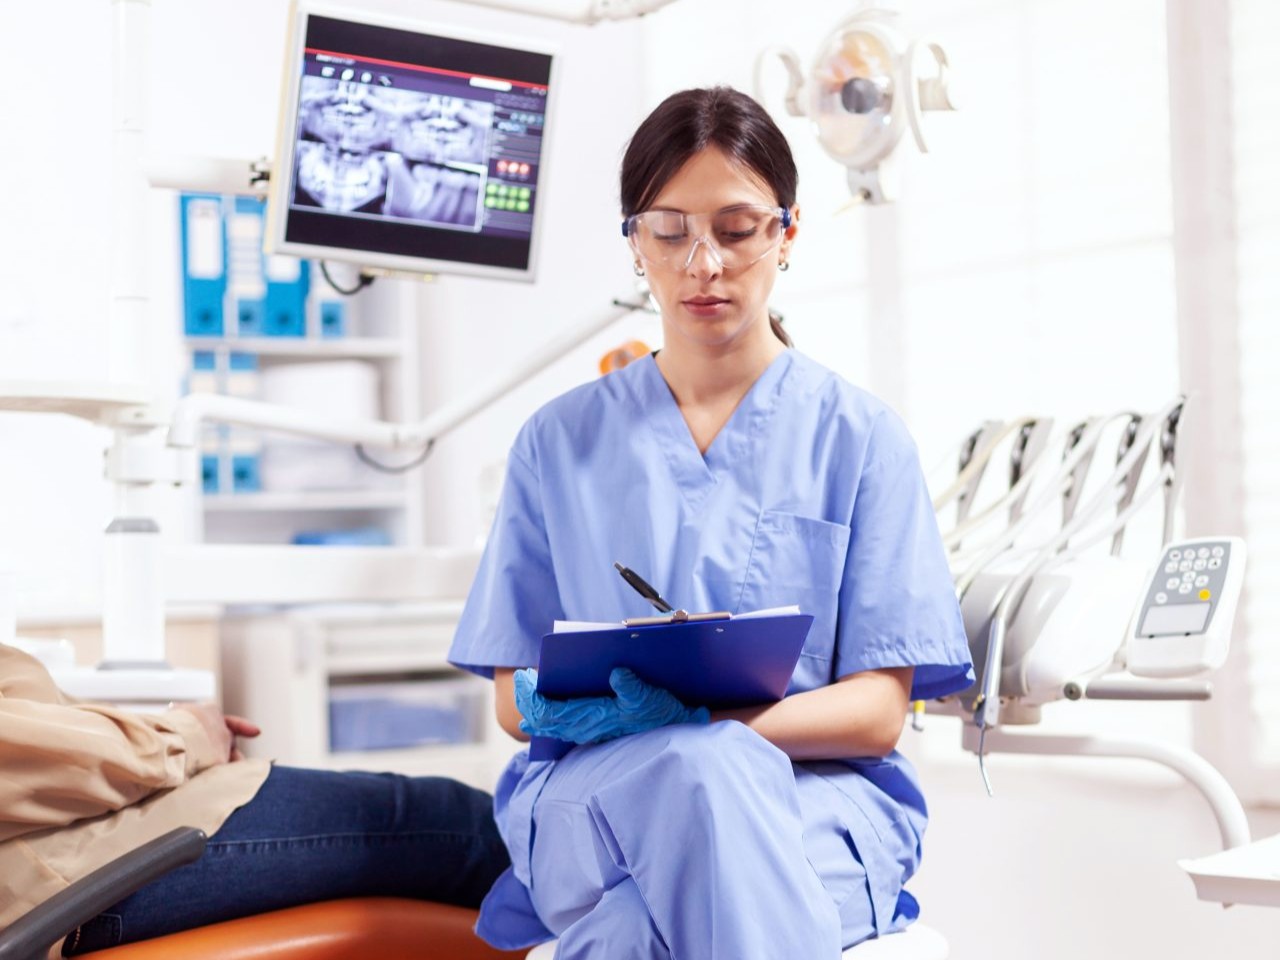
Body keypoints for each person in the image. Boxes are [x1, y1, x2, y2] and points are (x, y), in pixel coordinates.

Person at [447, 85, 975, 959]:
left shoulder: (861, 438)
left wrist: (704, 732)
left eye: (734, 229)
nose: (703, 264)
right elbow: (513, 695)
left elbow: (880, 712)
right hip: (602, 795)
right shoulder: (559, 442)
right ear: (634, 243)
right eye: (669, 230)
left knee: (643, 908)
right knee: (696, 786)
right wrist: (618, 723)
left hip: (816, 802)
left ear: (786, 234)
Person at [0, 642, 510, 957]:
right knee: (449, 824)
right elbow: (36, 755)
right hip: (78, 874)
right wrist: (188, 737)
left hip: (79, 844)